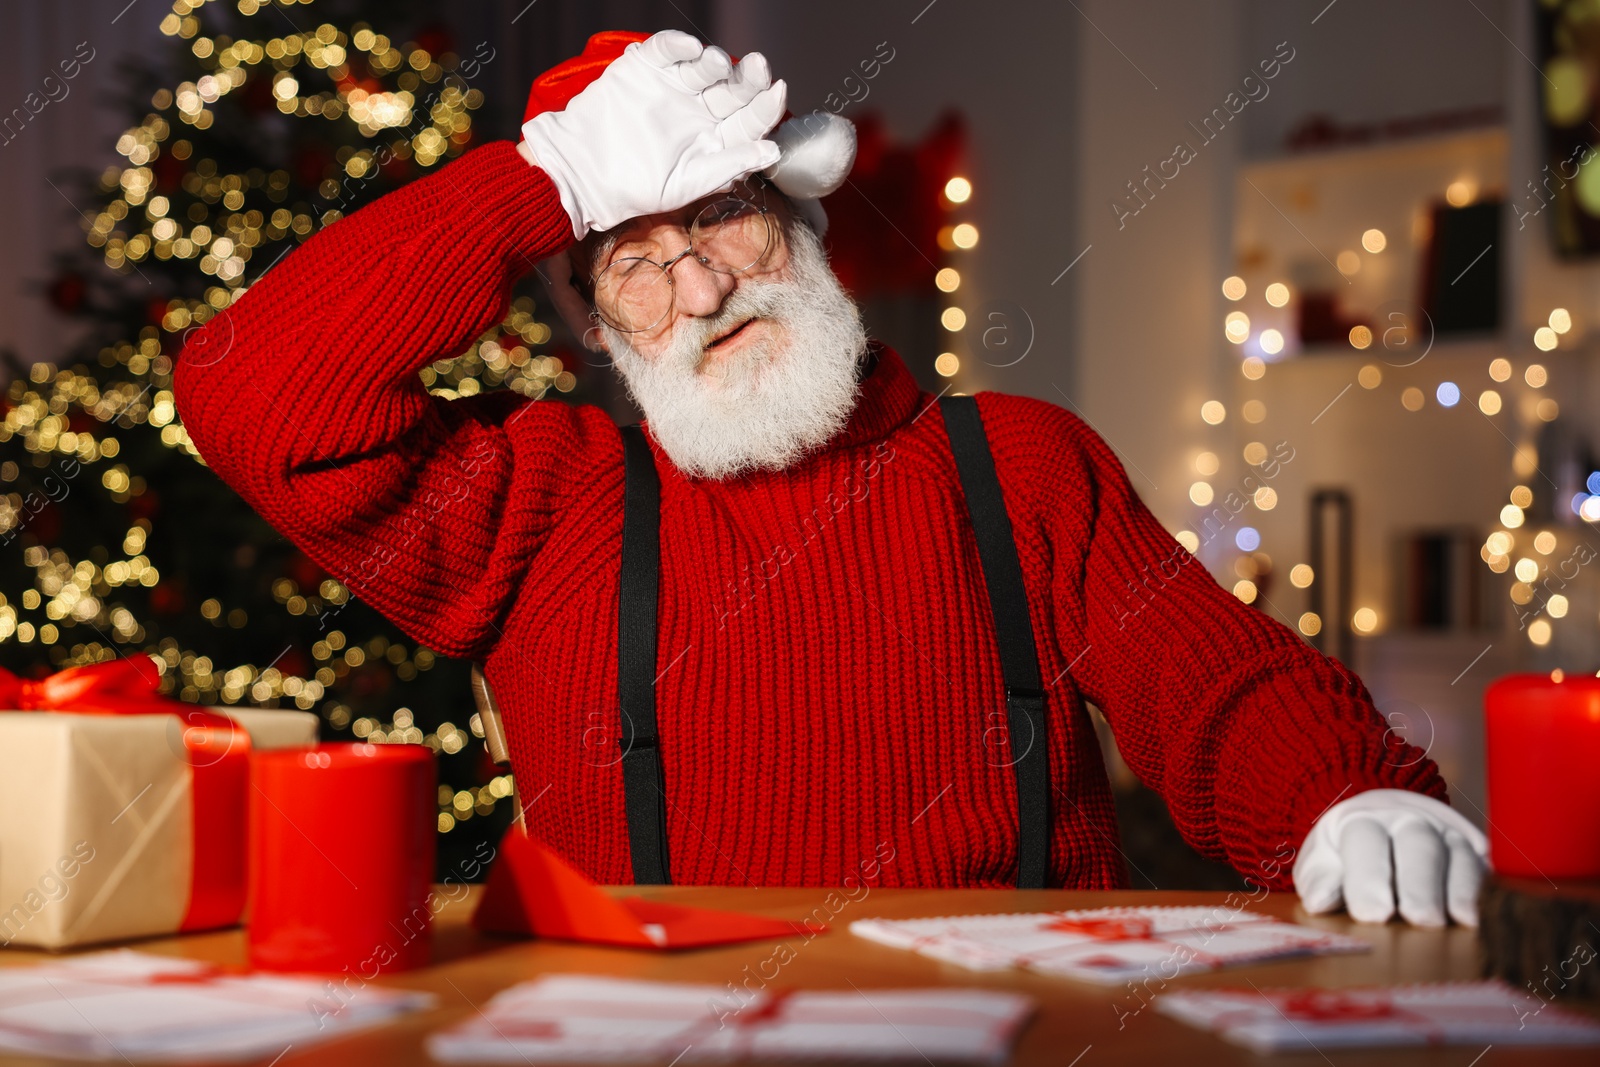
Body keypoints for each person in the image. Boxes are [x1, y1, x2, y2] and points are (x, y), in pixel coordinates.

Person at [174, 29, 1488, 925]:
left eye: (722, 219)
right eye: (632, 258)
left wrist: (1345, 791)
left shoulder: (1019, 464)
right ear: (595, 329)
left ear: (801, 225)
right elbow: (250, 398)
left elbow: (1217, 685)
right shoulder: (543, 500)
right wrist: (541, 180)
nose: (697, 286)